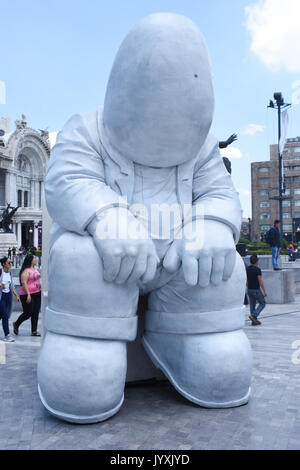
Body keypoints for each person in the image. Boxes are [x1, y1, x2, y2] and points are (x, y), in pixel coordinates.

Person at [13, 254, 41, 337]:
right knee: (28, 313)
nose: (36, 259)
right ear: (30, 260)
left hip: (37, 293)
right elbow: (24, 282)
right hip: (27, 294)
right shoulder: (25, 270)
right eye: (34, 258)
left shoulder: (35, 269)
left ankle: (34, 331)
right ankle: (16, 324)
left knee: (35, 313)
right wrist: (28, 294)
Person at [0, 257, 21, 341]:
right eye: (9, 262)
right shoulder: (0, 272)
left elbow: (12, 286)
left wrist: (16, 295)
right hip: (1, 297)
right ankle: (7, 335)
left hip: (8, 296)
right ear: (4, 264)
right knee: (5, 316)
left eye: (11, 262)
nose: (10, 264)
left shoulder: (9, 274)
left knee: (3, 315)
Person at [246, 254, 267, 326]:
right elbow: (260, 281)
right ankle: (254, 315)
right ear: (256, 261)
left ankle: (254, 321)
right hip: (256, 290)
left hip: (249, 289)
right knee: (263, 303)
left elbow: (246, 280)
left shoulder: (247, 269)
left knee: (252, 305)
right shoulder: (257, 270)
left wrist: (248, 287)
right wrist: (264, 291)